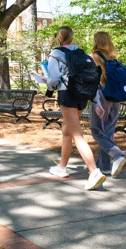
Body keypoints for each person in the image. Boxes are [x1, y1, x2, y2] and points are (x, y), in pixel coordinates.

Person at [46, 26, 107, 191]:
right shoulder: (83, 55)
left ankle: (94, 171)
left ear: (59, 38)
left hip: (67, 95)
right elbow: (90, 80)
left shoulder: (56, 54)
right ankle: (61, 167)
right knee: (67, 131)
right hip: (83, 97)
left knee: (77, 135)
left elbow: (53, 79)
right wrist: (96, 102)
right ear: (71, 38)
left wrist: (46, 83)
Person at [90, 31, 126, 178]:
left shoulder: (93, 57)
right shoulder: (115, 60)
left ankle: (117, 155)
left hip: (101, 96)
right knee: (108, 132)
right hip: (116, 98)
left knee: (96, 130)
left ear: (96, 41)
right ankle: (104, 167)